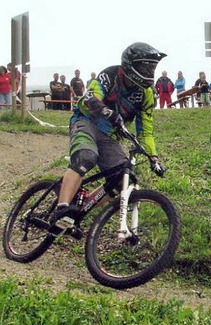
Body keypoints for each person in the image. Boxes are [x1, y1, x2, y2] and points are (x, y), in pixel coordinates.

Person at [49, 42, 167, 234]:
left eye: (151, 67)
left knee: (122, 180)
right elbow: (90, 97)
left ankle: (79, 212)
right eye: (145, 66)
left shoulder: (146, 94)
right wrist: (105, 111)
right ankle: (61, 209)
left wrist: (153, 157)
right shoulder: (110, 75)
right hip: (86, 122)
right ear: (131, 64)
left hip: (109, 135)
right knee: (86, 156)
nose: (149, 71)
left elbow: (145, 131)